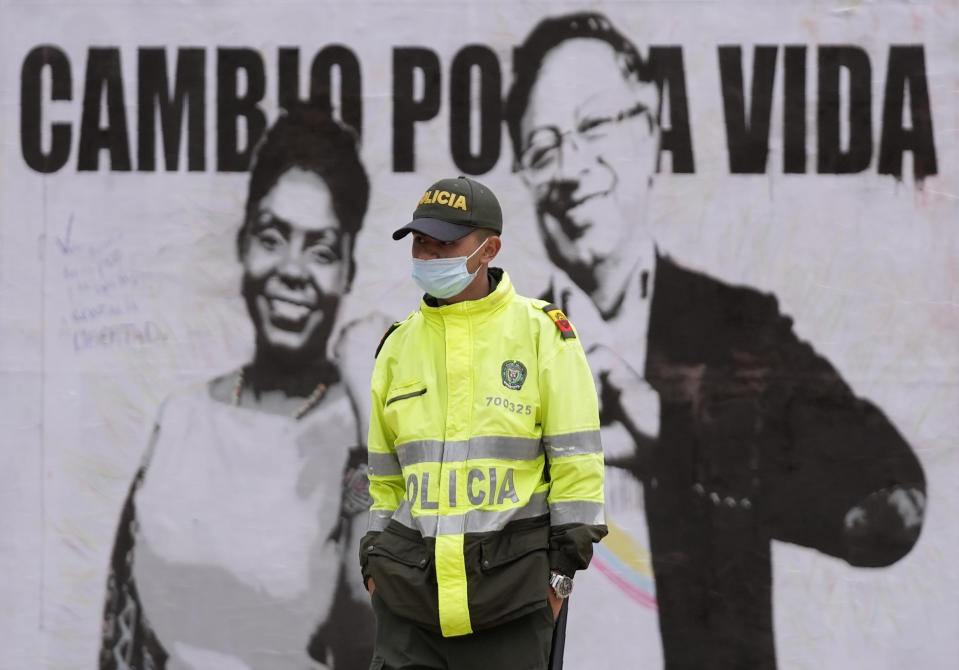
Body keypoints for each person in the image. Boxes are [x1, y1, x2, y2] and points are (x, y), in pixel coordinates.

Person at [505, 12, 928, 669]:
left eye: (593, 126)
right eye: (541, 147)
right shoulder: (492, 352)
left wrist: (676, 436)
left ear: (648, 127)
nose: (569, 167)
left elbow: (886, 494)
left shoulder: (736, 331)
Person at [98, 105, 375, 670]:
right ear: (243, 243)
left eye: (321, 250)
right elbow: (121, 638)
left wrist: (376, 421)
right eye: (273, 238)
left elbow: (376, 637)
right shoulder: (180, 419)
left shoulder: (362, 437)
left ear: (347, 271)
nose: (292, 269)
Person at [359, 176, 607, 670]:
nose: (428, 255)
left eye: (445, 243)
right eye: (420, 242)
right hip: (409, 604)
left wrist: (558, 581)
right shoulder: (397, 345)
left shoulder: (542, 334)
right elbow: (384, 480)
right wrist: (375, 564)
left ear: (489, 248)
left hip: (511, 603)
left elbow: (578, 471)